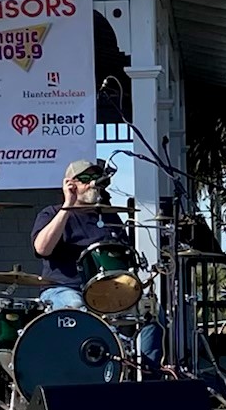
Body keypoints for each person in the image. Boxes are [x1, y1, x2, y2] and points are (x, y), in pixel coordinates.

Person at [32, 159, 163, 370]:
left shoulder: (110, 215)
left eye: (96, 178)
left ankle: (146, 373)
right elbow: (42, 249)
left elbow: (124, 257)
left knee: (151, 309)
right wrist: (67, 206)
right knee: (77, 308)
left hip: (106, 289)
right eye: (86, 179)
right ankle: (93, 370)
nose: (93, 183)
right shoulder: (51, 213)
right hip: (64, 288)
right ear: (70, 183)